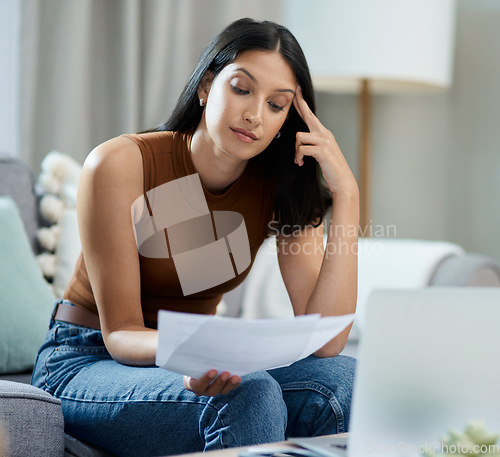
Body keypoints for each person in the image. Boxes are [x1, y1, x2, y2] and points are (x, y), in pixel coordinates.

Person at [31, 17, 359, 457]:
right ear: (207, 85)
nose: (254, 115)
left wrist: (347, 192)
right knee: (251, 393)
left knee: (344, 380)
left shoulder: (282, 187)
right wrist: (194, 355)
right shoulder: (120, 165)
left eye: (277, 105)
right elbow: (122, 334)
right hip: (86, 360)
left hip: (196, 357)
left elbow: (327, 341)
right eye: (241, 89)